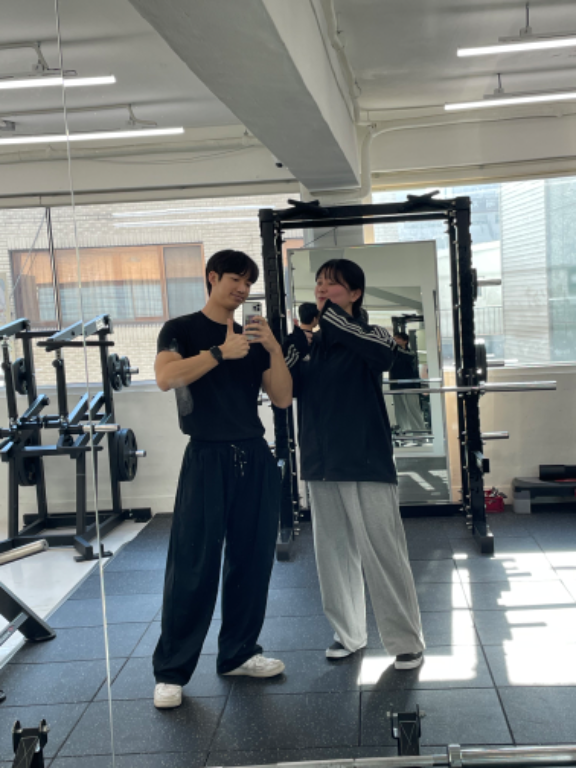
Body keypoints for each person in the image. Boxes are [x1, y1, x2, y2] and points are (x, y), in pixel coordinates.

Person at [152, 249, 293, 709]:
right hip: (206, 457)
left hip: (253, 454)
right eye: (235, 279)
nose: (242, 289)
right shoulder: (181, 329)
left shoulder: (254, 336)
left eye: (248, 283)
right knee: (193, 563)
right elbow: (166, 377)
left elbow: (282, 398)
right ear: (212, 277)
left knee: (252, 561)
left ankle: (239, 653)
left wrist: (273, 348)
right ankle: (171, 671)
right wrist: (218, 353)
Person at [283, 258, 425, 670]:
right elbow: (286, 390)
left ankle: (406, 641)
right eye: (319, 283)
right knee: (333, 554)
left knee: (383, 552)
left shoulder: (371, 333)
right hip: (320, 463)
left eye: (333, 284)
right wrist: (293, 344)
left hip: (365, 460)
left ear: (355, 293)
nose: (322, 290)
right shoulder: (310, 343)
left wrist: (330, 319)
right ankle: (349, 633)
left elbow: (384, 356)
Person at [389, 332, 427, 434]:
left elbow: (409, 357)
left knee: (413, 409)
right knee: (400, 410)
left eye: (397, 339)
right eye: (394, 338)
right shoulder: (392, 353)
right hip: (396, 385)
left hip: (410, 386)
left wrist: (394, 347)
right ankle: (404, 434)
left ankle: (420, 434)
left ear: (405, 341)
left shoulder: (410, 353)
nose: (395, 340)